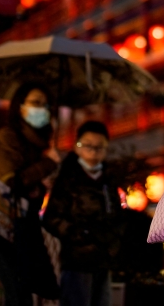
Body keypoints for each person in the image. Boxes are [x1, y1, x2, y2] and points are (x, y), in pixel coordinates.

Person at [0, 82, 59, 306]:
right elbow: (11, 182)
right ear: (20, 107)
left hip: (24, 227)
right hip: (1, 227)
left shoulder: (37, 144)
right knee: (18, 292)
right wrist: (48, 164)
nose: (41, 109)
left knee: (27, 292)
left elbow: (30, 187)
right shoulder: (7, 138)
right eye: (35, 103)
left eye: (45, 105)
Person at [44, 120, 124, 306]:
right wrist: (79, 234)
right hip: (77, 263)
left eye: (100, 147)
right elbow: (51, 218)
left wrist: (113, 241)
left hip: (103, 262)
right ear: (77, 147)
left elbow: (118, 216)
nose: (94, 152)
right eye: (88, 146)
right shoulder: (68, 179)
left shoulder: (108, 180)